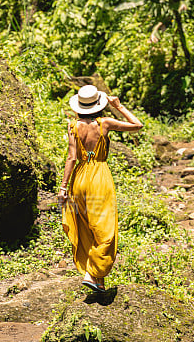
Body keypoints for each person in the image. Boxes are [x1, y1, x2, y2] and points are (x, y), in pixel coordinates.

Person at [59, 84, 143, 292]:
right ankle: (91, 272)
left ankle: (99, 281)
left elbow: (71, 158)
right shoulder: (104, 123)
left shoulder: (73, 126)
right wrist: (119, 107)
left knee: (87, 227)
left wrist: (63, 187)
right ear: (99, 105)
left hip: (79, 178)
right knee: (105, 230)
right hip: (99, 178)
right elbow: (137, 125)